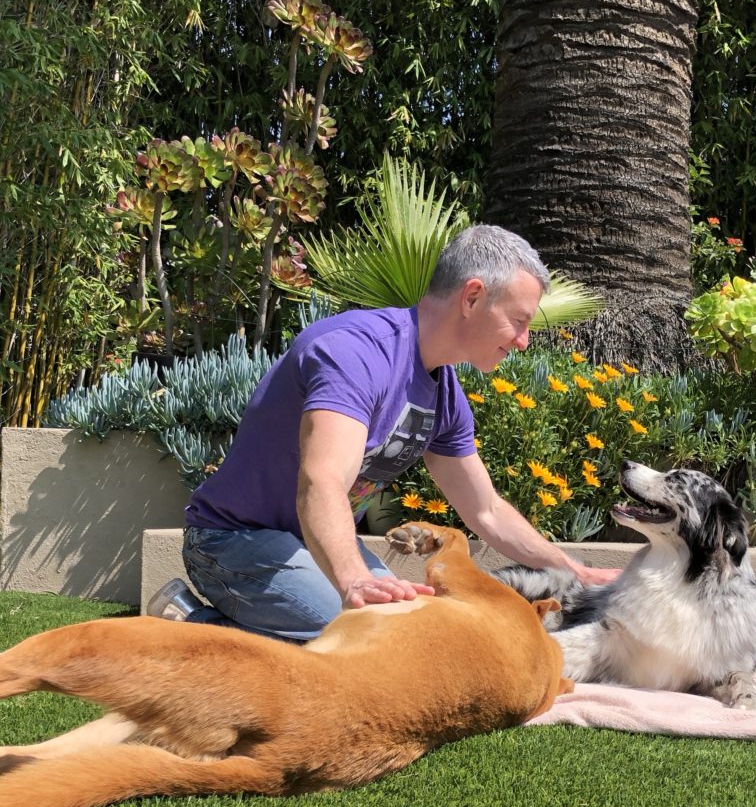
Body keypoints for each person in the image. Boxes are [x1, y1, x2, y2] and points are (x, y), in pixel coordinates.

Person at [147, 224, 618, 641]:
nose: (522, 341)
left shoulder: (445, 392)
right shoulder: (356, 352)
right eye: (519, 321)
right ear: (472, 297)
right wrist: (354, 580)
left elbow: (487, 511)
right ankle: (190, 628)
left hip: (313, 548)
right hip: (234, 540)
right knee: (371, 633)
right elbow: (322, 480)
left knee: (415, 628)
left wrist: (575, 571)